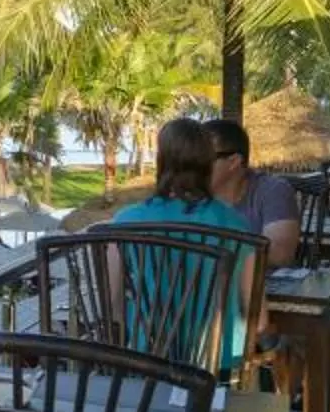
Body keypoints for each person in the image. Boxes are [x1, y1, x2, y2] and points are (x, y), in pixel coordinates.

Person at [108, 116, 259, 369]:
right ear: (207, 164)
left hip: (148, 366)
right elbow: (259, 319)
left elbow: (112, 308)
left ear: (161, 162)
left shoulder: (125, 223)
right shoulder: (237, 225)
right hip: (218, 371)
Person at [207, 114, 301, 268]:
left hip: (264, 285)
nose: (193, 166)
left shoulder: (272, 190)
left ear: (233, 162)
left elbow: (280, 255)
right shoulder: (192, 195)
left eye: (203, 158)